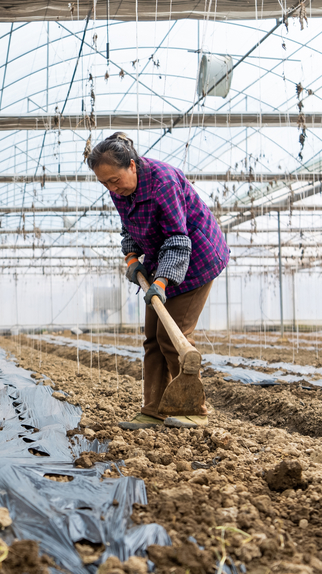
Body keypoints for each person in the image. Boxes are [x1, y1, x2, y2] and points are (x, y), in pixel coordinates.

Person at [86, 132, 229, 429]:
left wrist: (162, 282)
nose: (111, 188)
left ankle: (194, 408)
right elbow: (129, 231)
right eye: (104, 183)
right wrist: (132, 258)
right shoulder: (119, 191)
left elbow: (178, 239)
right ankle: (154, 409)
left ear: (133, 166)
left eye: (114, 180)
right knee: (152, 338)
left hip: (197, 259)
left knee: (173, 335)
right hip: (159, 259)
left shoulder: (163, 183)